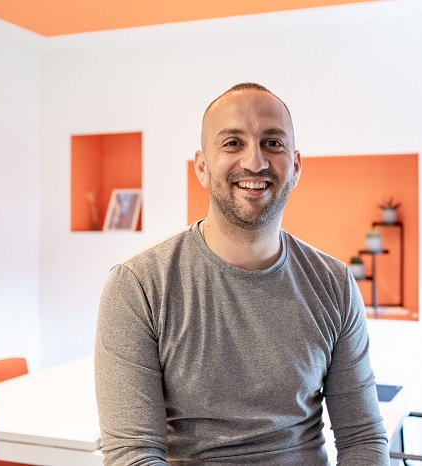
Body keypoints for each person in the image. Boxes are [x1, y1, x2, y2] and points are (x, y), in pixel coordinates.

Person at [95, 83, 389, 465]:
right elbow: (133, 454)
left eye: (272, 143)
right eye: (233, 143)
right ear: (202, 167)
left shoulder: (334, 284)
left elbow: (363, 438)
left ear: (296, 166)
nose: (255, 162)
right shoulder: (138, 286)